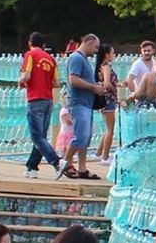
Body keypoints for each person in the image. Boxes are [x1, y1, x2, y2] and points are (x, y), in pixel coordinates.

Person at [62, 33, 105, 179]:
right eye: (95, 47)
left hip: (86, 103)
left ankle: (82, 167)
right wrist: (93, 88)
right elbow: (73, 80)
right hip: (78, 103)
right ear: (88, 42)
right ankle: (65, 163)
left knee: (86, 137)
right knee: (81, 136)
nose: (96, 51)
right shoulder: (76, 58)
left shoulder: (84, 60)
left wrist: (96, 86)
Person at [20, 32, 62, 177]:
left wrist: (20, 81)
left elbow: (26, 76)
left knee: (37, 137)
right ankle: (32, 167)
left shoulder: (30, 55)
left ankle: (57, 162)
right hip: (48, 100)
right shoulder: (51, 59)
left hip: (35, 99)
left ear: (29, 43)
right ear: (44, 45)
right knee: (41, 136)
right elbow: (56, 83)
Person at [93, 44, 119, 161]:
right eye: (112, 53)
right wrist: (115, 90)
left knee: (107, 128)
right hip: (109, 99)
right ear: (107, 54)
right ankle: (105, 156)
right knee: (110, 129)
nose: (114, 55)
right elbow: (107, 83)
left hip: (104, 99)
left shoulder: (99, 66)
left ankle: (99, 153)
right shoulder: (106, 66)